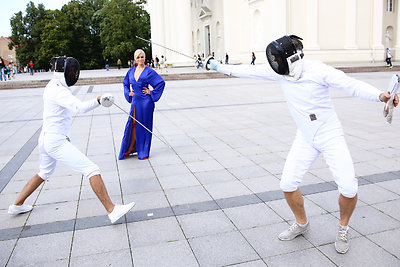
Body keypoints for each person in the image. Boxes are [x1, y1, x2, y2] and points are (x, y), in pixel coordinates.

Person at [208, 35, 399, 254]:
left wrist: (380, 95)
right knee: (288, 184)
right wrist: (217, 66)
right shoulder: (279, 73)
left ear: (292, 57)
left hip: (329, 135)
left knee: (348, 187)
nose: (275, 63)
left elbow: (351, 85)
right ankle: (302, 223)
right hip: (306, 137)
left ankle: (343, 228)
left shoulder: (318, 71)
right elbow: (245, 71)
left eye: (279, 58)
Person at [8, 56, 135, 224]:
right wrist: (98, 100)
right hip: (55, 141)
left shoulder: (54, 85)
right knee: (91, 169)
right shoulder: (58, 90)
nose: (73, 74)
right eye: (70, 71)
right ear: (62, 72)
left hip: (46, 138)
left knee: (44, 172)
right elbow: (79, 108)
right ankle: (112, 210)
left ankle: (17, 205)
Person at [119, 49, 165, 160]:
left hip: (146, 103)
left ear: (145, 58)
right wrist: (128, 93)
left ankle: (143, 151)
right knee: (133, 124)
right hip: (135, 101)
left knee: (144, 126)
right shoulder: (131, 71)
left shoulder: (149, 71)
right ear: (135, 59)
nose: (140, 59)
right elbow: (125, 84)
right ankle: (131, 148)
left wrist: (151, 92)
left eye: (142, 57)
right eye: (138, 57)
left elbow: (160, 83)